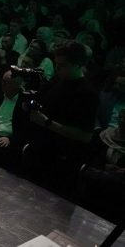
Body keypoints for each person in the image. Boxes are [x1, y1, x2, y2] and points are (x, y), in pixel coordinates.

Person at [25, 40, 99, 187]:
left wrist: (47, 122)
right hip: (40, 151)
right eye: (56, 64)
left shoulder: (87, 94)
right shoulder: (57, 81)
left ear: (77, 64)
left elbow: (85, 136)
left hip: (61, 160)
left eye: (62, 65)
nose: (57, 68)